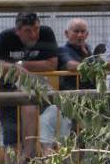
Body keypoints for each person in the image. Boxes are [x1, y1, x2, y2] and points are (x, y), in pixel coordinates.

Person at [0, 12, 59, 163]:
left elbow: (52, 63)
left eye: (36, 29)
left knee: (46, 138)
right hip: (8, 93)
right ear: (18, 31)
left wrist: (20, 66)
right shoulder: (6, 37)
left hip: (40, 92)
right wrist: (13, 68)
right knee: (11, 140)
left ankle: (29, 158)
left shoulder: (46, 33)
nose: (33, 34)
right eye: (28, 31)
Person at [40, 18, 94, 153]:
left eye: (83, 32)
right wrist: (95, 66)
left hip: (89, 105)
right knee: (64, 142)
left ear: (87, 34)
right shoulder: (62, 50)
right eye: (76, 31)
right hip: (67, 104)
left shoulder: (89, 53)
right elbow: (71, 65)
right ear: (66, 33)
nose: (80, 35)